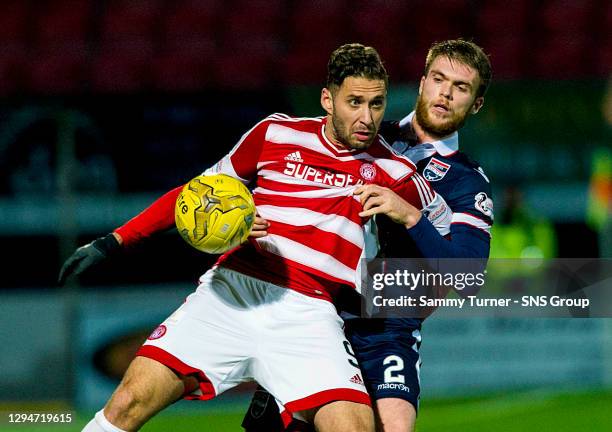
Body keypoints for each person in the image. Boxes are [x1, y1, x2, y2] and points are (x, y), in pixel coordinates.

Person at [59, 43, 451, 432]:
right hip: (232, 292)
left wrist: (411, 216)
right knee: (129, 401)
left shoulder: (395, 171)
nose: (366, 117)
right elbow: (197, 193)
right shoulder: (275, 132)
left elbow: (452, 250)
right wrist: (114, 241)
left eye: (377, 104)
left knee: (353, 427)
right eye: (354, 103)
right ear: (327, 100)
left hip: (309, 315)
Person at [242, 39, 494, 432]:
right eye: (439, 79)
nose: (445, 93)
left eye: (460, 88)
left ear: (476, 103)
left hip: (387, 326)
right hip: (315, 313)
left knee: (394, 425)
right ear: (423, 81)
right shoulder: (365, 134)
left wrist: (411, 215)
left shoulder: (466, 182)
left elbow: (467, 277)